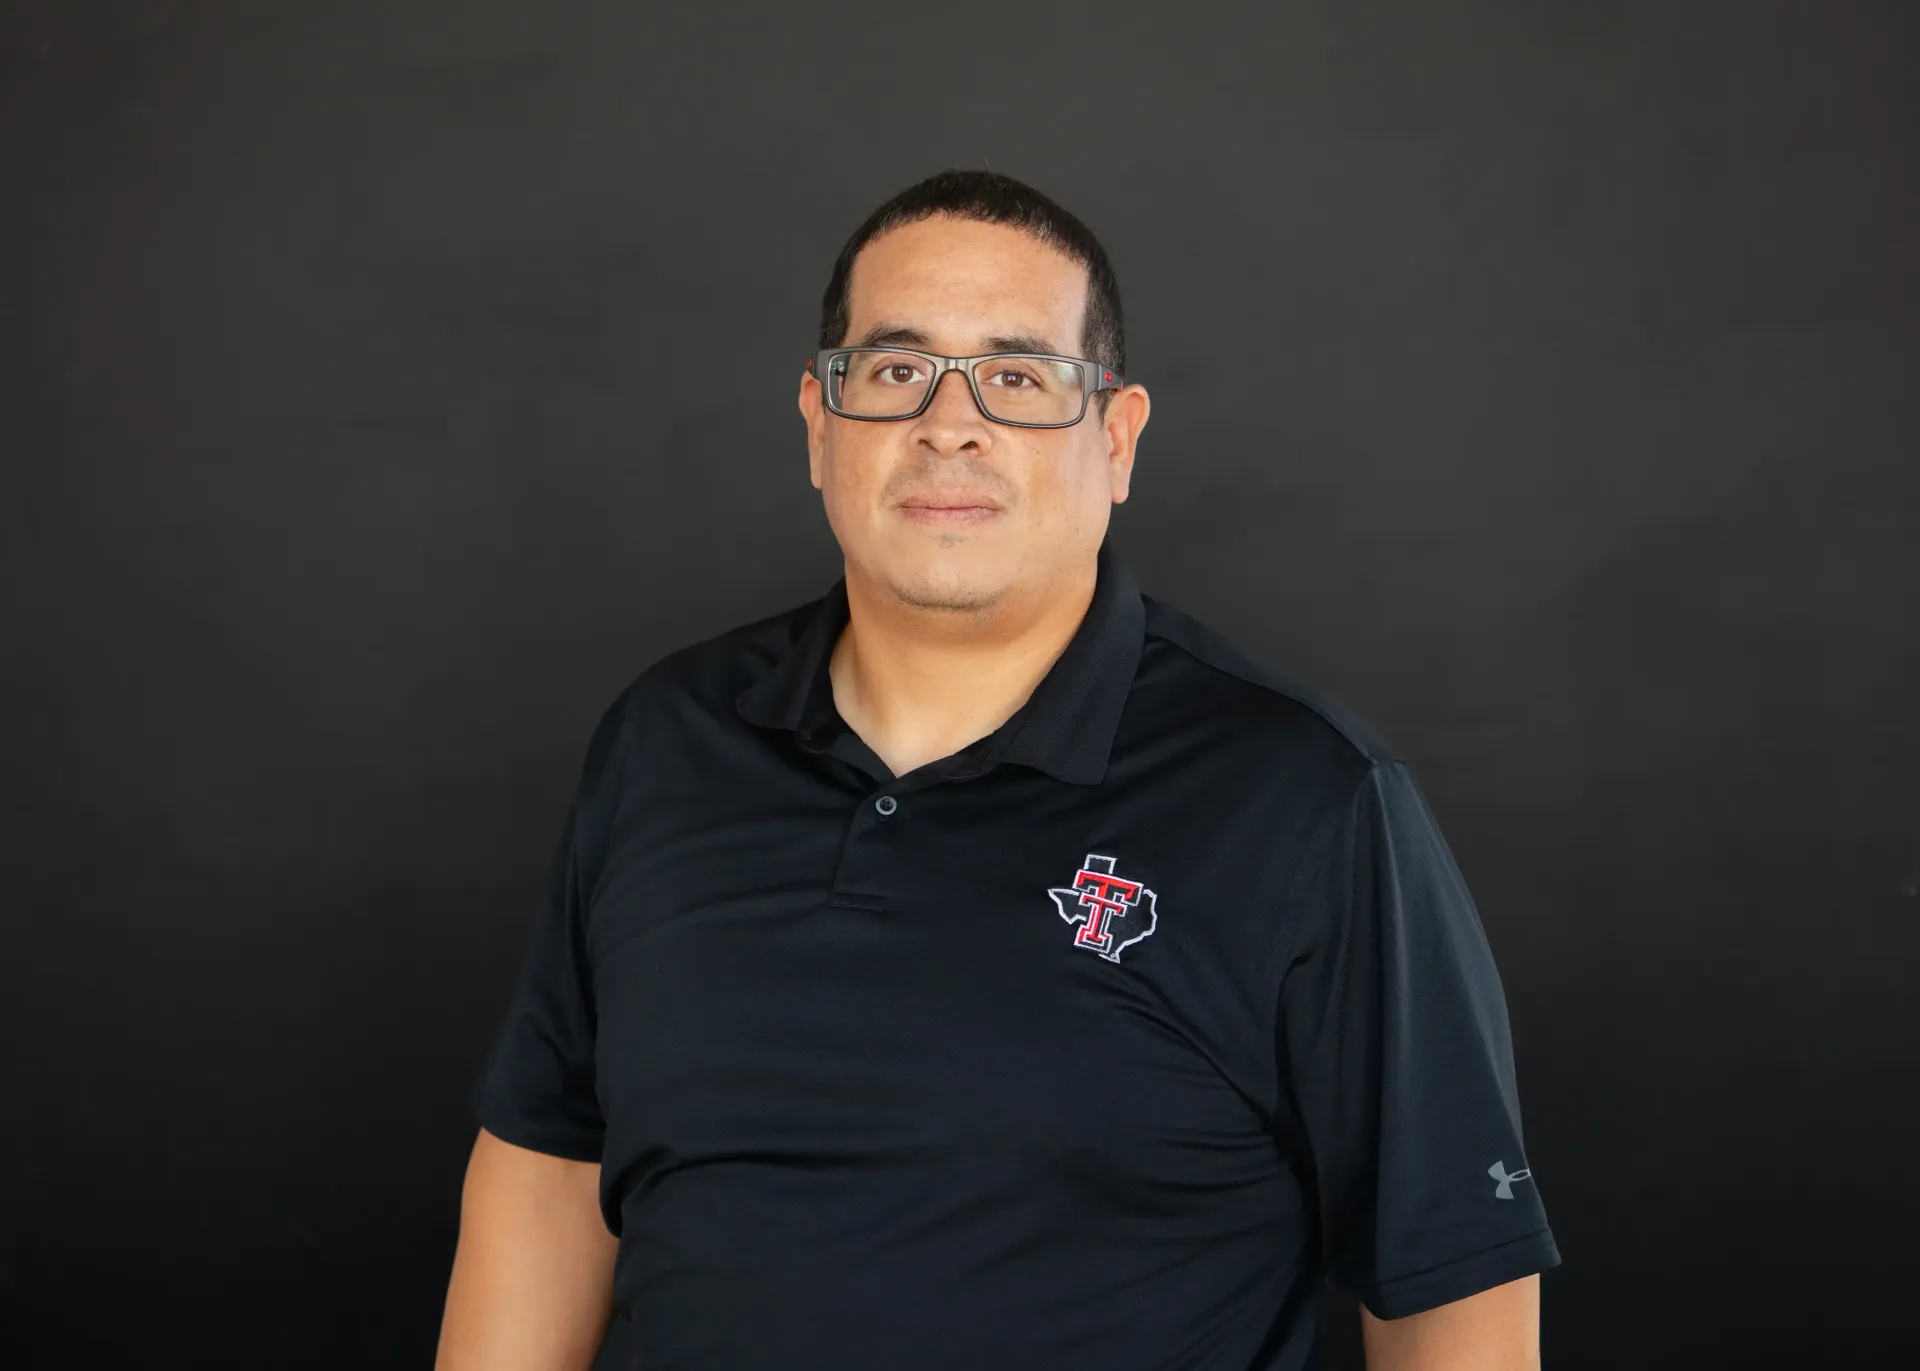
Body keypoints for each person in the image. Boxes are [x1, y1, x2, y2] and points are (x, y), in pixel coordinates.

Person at [435, 169, 1561, 1371]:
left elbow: (1454, 1287)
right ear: (821, 428)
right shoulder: (667, 739)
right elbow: (552, 1162)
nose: (949, 423)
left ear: (1115, 440)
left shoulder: (1306, 799)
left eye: (1019, 378)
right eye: (895, 370)